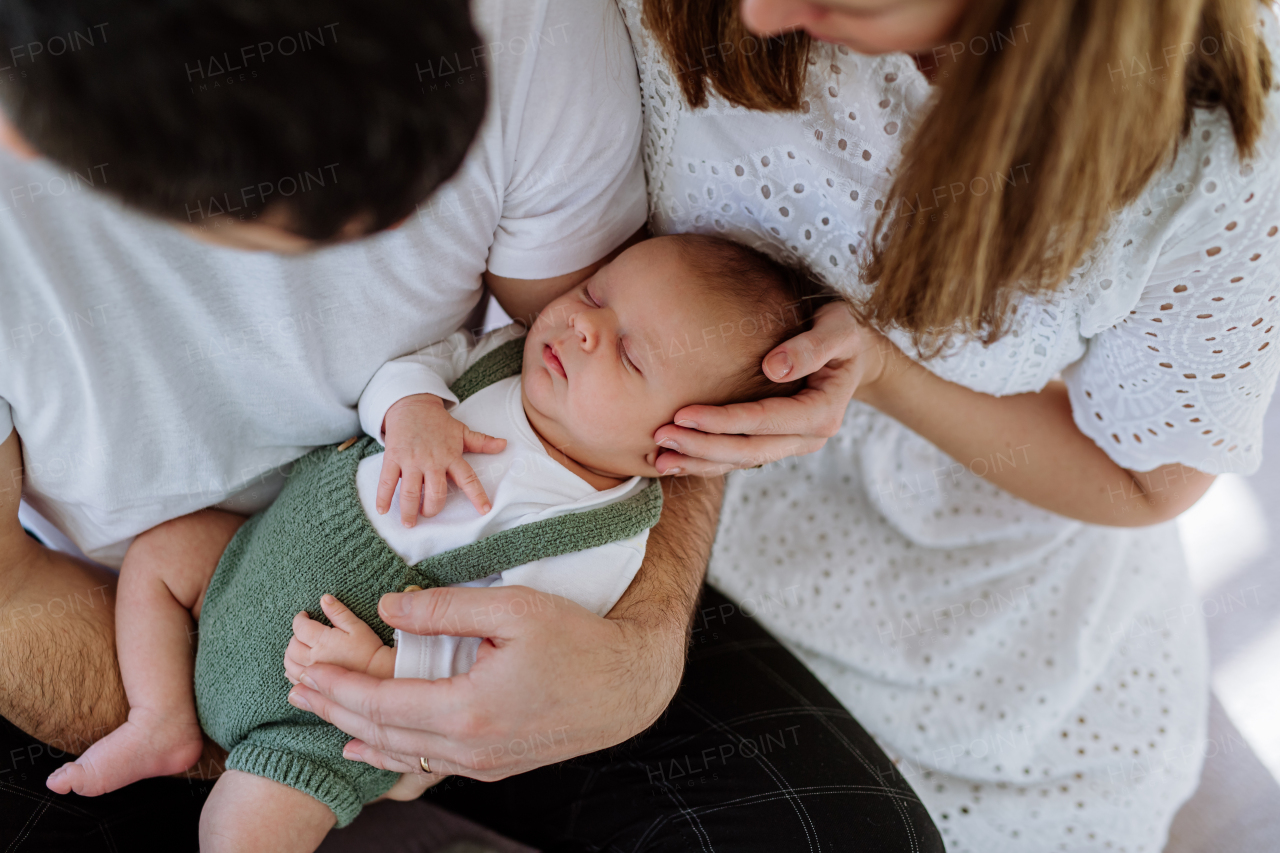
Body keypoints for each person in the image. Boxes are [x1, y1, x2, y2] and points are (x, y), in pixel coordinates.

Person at [0, 1, 944, 851]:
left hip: (405, 653)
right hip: (95, 629)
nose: (578, 322)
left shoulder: (523, 29)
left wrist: (633, 661)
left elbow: (667, 406)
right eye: (302, 216)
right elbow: (9, 595)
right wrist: (279, 721)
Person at [441, 0, 1280, 850]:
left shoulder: (1216, 141)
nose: (762, 13)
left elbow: (1145, 479)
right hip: (620, 493)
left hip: (972, 591)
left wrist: (883, 375)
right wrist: (649, 623)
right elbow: (560, 301)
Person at [45, 235, 832, 853]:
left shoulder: (599, 536)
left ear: (679, 446)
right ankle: (161, 718)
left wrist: (387, 672)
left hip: (325, 706)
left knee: (241, 830)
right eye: (596, 293)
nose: (583, 325)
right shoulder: (499, 355)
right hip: (249, 558)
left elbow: (502, 658)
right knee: (159, 555)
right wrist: (411, 409)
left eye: (627, 354)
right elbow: (412, 368)